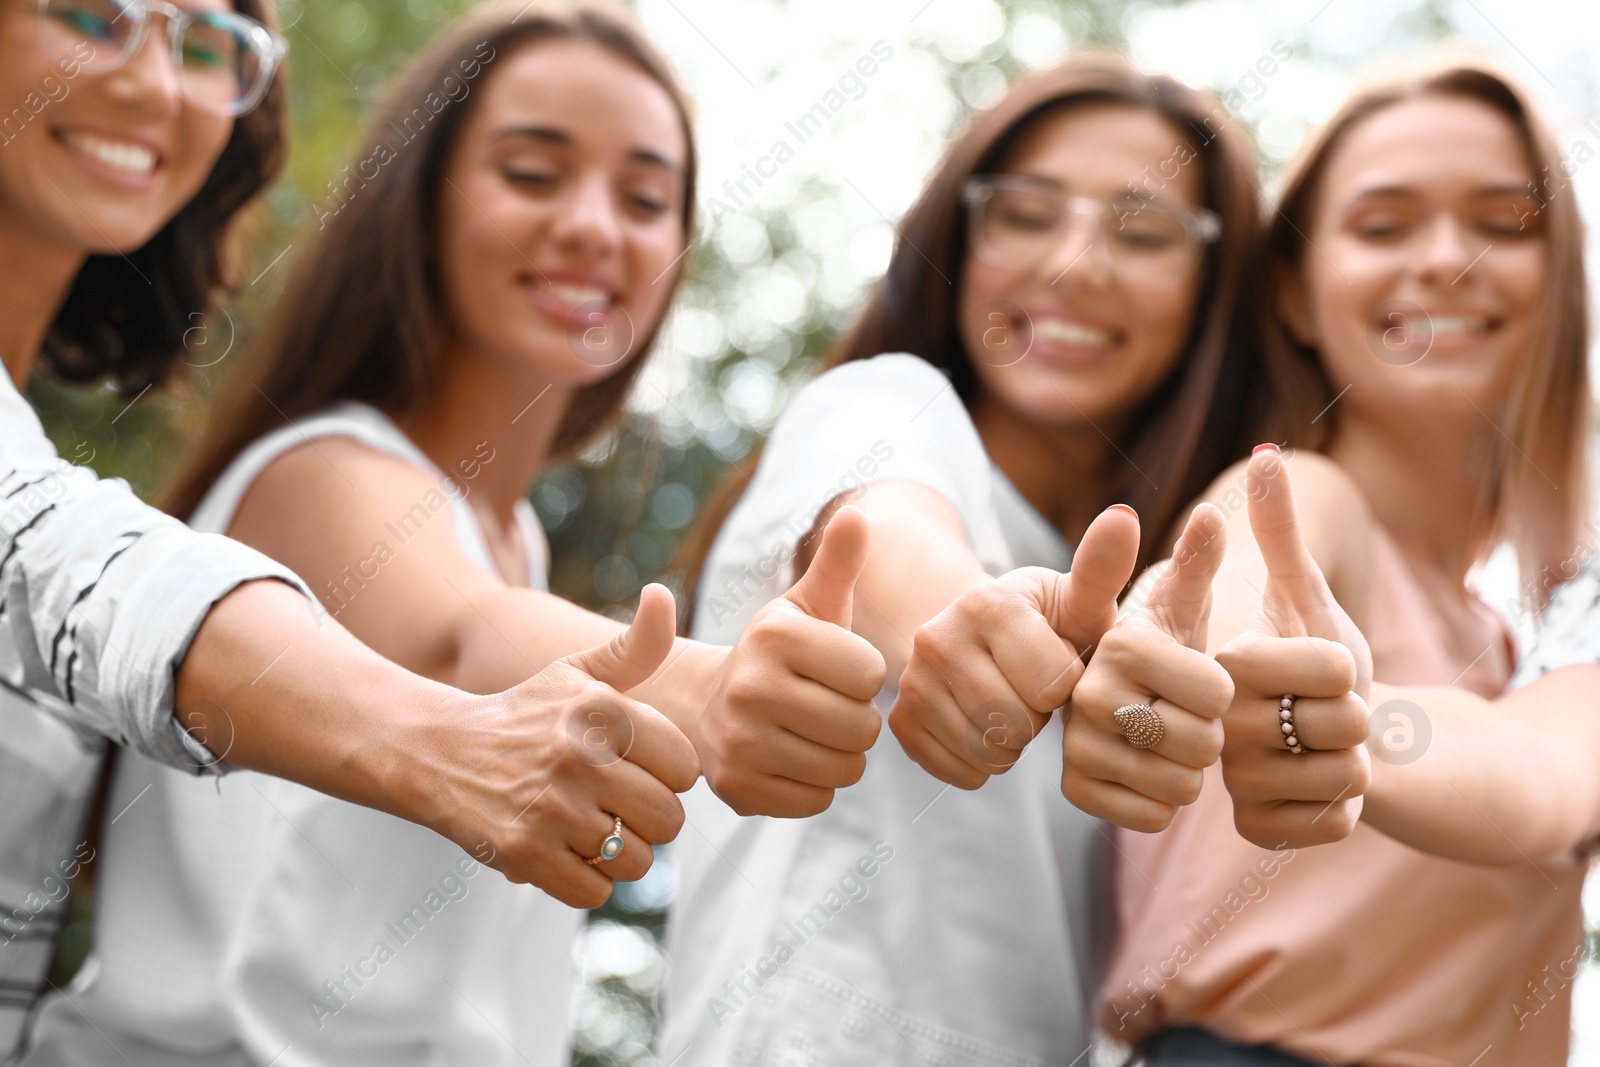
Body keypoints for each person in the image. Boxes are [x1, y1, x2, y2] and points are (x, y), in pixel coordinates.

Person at [18, 3, 885, 1065]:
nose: (593, 227)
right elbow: (469, 635)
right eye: (531, 173)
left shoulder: (507, 531)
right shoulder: (328, 474)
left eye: (646, 197)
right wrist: (707, 690)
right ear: (416, 205)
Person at [662, 54, 1260, 1066]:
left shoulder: (1188, 589)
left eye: (1144, 230)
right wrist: (968, 621)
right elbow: (891, 533)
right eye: (1025, 213)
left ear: (1214, 291)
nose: (1074, 263)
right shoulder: (884, 404)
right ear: (959, 240)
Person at [1063, 65, 1592, 1065]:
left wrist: (1353, 722)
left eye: (1503, 221)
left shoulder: (1549, 645)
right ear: (1295, 298)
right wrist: (1182, 667)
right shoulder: (1302, 497)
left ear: (1558, 283)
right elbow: (1219, 617)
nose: (1445, 258)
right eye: (1382, 226)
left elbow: (1541, 780)